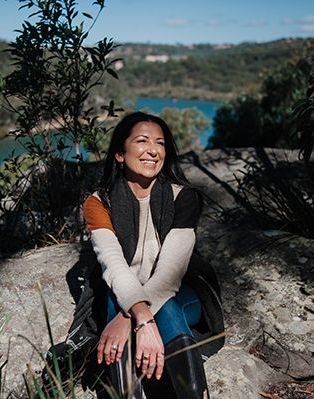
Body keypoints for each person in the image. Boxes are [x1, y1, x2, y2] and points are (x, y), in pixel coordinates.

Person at [82, 111, 217, 398]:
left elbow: (171, 273)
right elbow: (113, 265)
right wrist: (138, 315)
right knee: (112, 299)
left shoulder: (184, 197)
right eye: (142, 141)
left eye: (160, 143)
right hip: (123, 296)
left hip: (181, 297)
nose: (153, 151)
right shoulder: (98, 204)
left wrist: (133, 318)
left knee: (162, 307)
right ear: (120, 153)